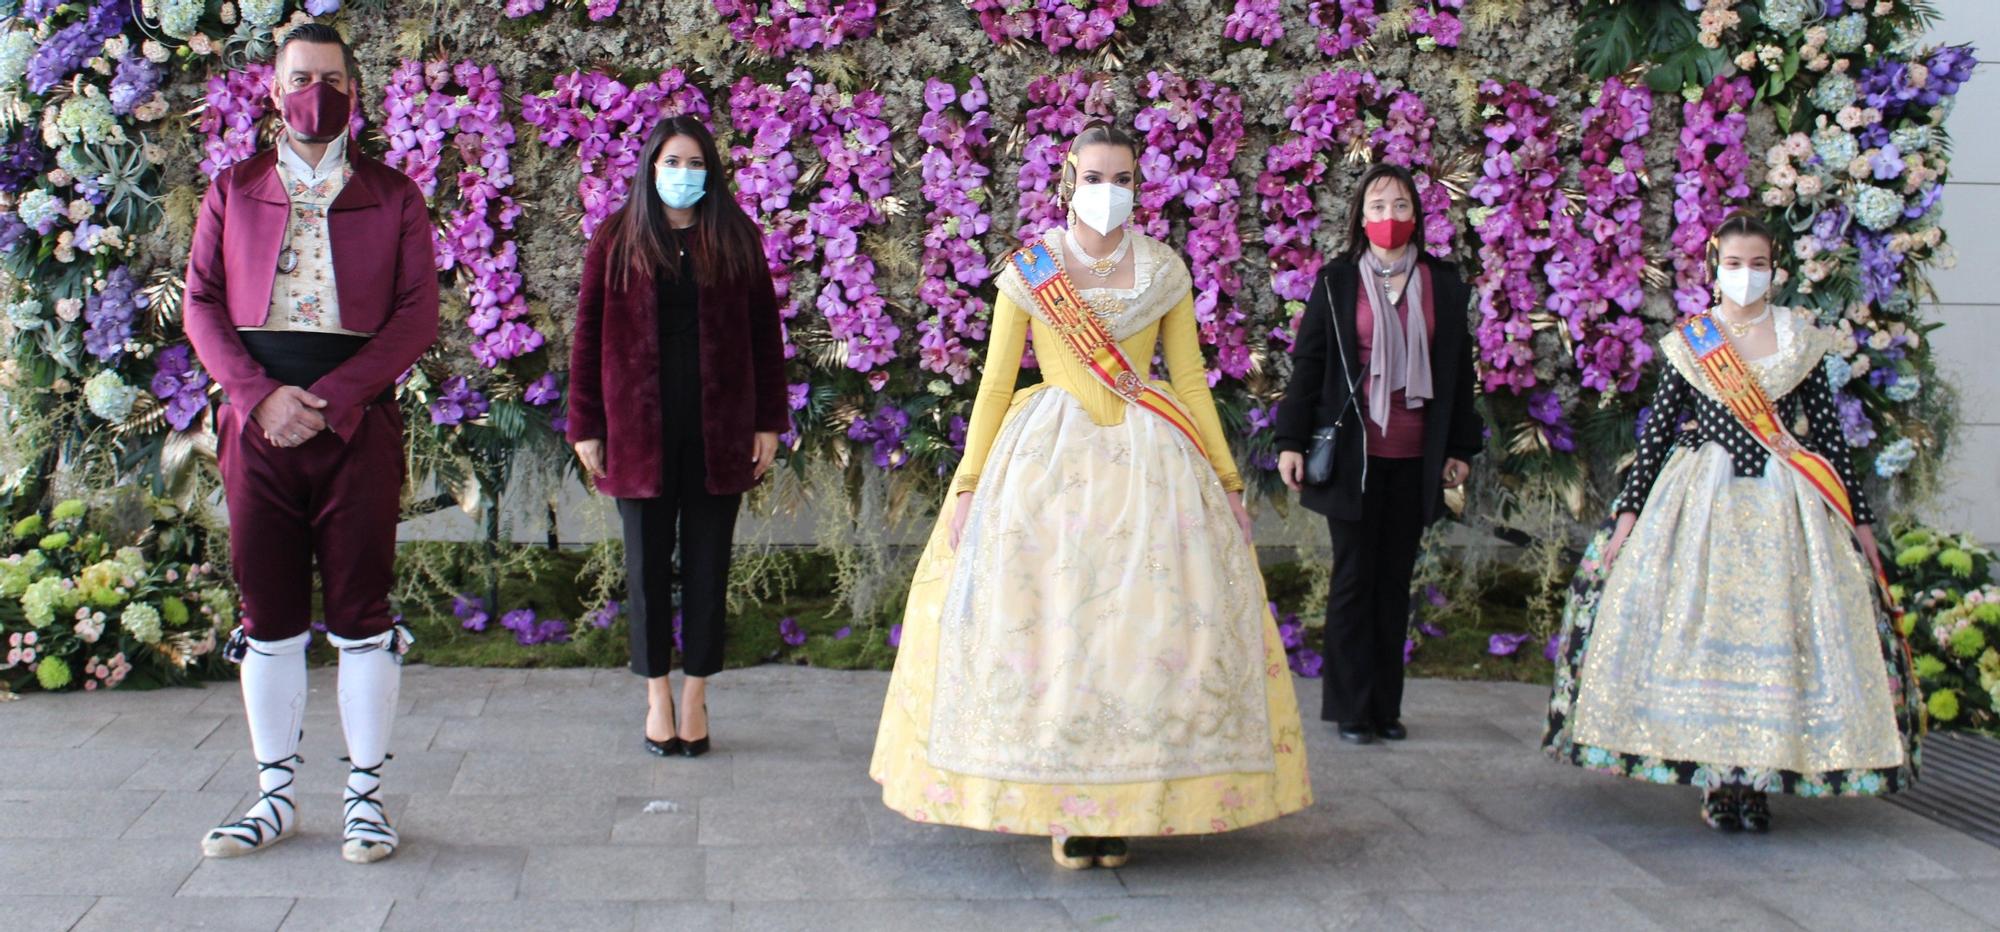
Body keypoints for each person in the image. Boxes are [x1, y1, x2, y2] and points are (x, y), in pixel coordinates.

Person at [871, 121, 1311, 870]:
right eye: (1096, 177)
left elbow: (1192, 380)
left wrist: (1229, 481)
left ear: (1139, 185)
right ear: (1069, 178)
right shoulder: (1033, 270)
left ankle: (1129, 803)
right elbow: (996, 382)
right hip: (1046, 469)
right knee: (1057, 638)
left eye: (1124, 179)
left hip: (1153, 466)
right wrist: (971, 483)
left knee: (1141, 638)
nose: (1110, 192)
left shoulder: (1164, 270)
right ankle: (1066, 807)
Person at [1543, 213, 1920, 831]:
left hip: (1785, 507)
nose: (1746, 276)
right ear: (1715, 267)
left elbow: (1828, 438)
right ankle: (1720, 780)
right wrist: (1630, 514)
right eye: (1735, 264)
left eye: (1758, 265)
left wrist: (1862, 525)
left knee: (1778, 642)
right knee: (1702, 636)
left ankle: (1760, 777)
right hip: (1699, 506)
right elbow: (1658, 434)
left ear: (1777, 271)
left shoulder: (1800, 341)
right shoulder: (1695, 342)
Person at [183, 24, 439, 863]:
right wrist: (259, 398)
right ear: (272, 88)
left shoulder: (395, 194)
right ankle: (274, 798)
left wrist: (331, 399)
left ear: (352, 92)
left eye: (329, 77)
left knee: (362, 615)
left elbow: (417, 315)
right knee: (269, 615)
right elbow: (203, 305)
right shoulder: (232, 188)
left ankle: (366, 800)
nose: (314, 92)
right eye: (300, 76)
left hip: (355, 419)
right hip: (256, 421)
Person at [567, 116, 788, 760]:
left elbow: (764, 337)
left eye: (695, 164)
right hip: (638, 432)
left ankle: (696, 695)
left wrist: (767, 420)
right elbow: (586, 336)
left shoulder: (736, 237)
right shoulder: (617, 237)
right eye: (672, 162)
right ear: (649, 167)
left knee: (707, 567)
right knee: (644, 570)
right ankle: (655, 694)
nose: (683, 175)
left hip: (718, 431)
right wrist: (586, 424)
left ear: (711, 172)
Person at [1273, 162, 1482, 745]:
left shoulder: (1443, 284)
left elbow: (1458, 373)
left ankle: (1385, 708)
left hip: (1415, 458)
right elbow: (1309, 364)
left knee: (1395, 584)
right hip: (1353, 458)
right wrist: (1290, 440)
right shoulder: (1337, 281)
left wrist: (1461, 446)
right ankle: (1349, 709)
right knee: (1353, 581)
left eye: (1399, 206)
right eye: (1377, 206)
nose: (1389, 217)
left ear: (1416, 216)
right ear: (1360, 219)